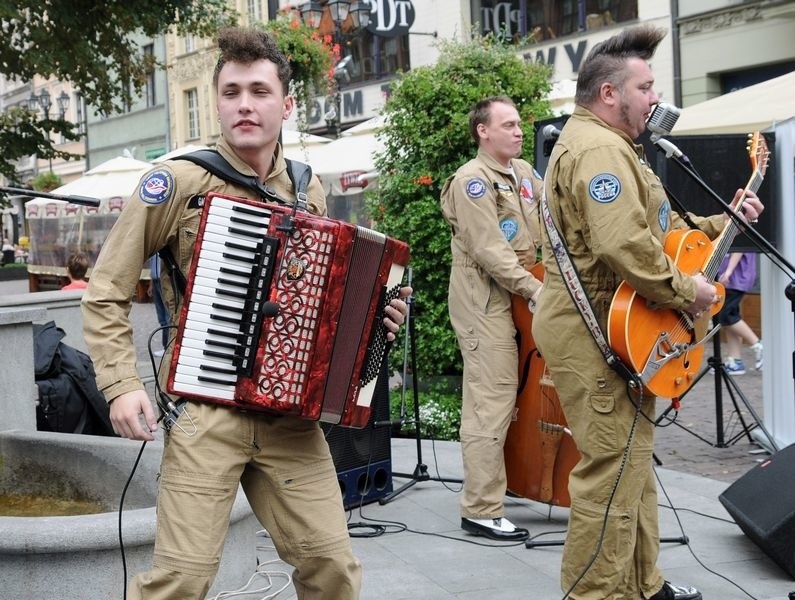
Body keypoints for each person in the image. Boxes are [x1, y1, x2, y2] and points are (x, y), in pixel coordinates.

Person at [82, 27, 410, 600]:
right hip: (207, 411)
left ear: (286, 104)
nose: (244, 105)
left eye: (259, 91)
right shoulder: (177, 183)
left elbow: (326, 313)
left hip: (291, 421)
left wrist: (372, 330)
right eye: (231, 92)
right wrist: (119, 384)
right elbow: (105, 289)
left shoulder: (307, 192)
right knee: (180, 580)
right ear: (217, 102)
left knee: (334, 568)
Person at [532, 25, 763, 600]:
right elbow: (624, 249)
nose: (656, 98)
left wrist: (721, 222)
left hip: (618, 328)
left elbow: (659, 234)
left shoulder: (613, 146)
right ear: (610, 94)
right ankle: (595, 595)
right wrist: (690, 294)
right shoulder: (600, 150)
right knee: (609, 475)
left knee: (630, 467)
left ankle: (643, 585)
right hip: (594, 330)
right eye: (647, 86)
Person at [439, 96, 544, 541]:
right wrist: (536, 288)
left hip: (520, 289)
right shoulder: (472, 181)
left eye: (520, 124)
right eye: (509, 124)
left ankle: (504, 487)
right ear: (483, 131)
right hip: (486, 299)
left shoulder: (523, 174)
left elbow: (547, 225)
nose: (520, 132)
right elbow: (489, 251)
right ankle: (481, 509)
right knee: (491, 399)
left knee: (518, 397)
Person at [716, 252, 763, 374]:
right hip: (730, 278)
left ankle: (759, 346)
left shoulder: (738, 232)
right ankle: (736, 361)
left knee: (726, 315)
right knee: (729, 319)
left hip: (735, 277)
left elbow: (739, 248)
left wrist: (728, 272)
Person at [147, 254, 169, 357]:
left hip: (164, 281)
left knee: (167, 317)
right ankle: (165, 347)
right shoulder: (154, 248)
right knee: (161, 318)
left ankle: (167, 347)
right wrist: (151, 285)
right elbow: (152, 266)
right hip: (155, 282)